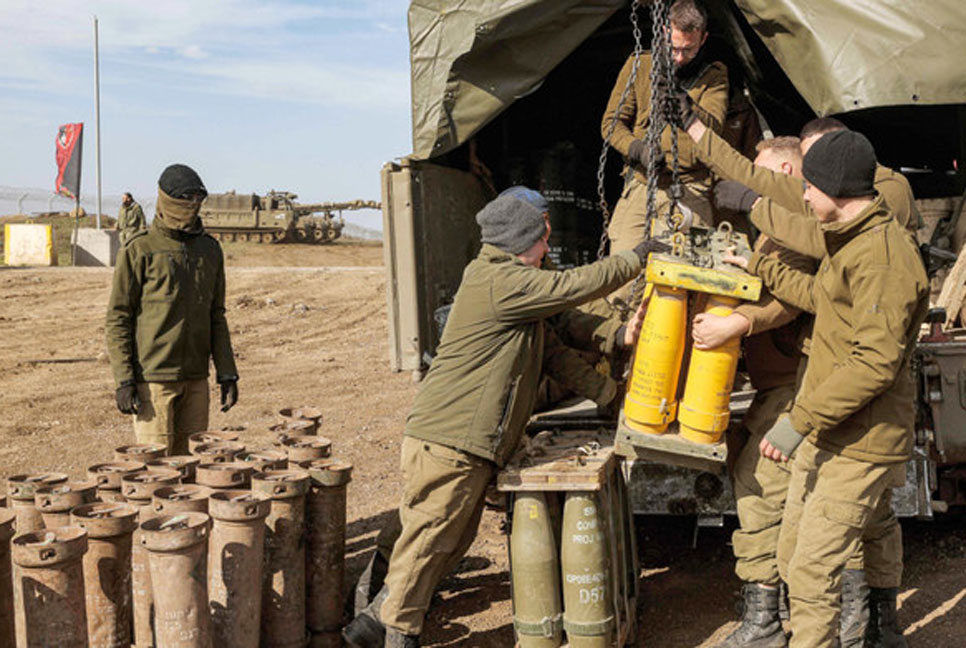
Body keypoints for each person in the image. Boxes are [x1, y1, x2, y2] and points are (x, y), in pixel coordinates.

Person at [343, 189, 667, 648]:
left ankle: (368, 627)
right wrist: (636, 258)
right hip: (452, 440)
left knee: (445, 542)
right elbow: (572, 287)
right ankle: (396, 634)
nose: (548, 243)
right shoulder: (498, 280)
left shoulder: (515, 283)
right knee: (429, 542)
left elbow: (554, 351)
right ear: (524, 237)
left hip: (467, 444)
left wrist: (609, 394)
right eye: (543, 234)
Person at [724, 131, 929, 648]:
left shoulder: (882, 258)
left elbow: (874, 364)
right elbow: (819, 295)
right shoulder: (852, 240)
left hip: (860, 440)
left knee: (813, 572)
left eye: (809, 188)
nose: (804, 197)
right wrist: (756, 263)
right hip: (834, 430)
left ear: (836, 187)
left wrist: (800, 421)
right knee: (794, 555)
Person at [690, 137, 814, 648]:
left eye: (759, 168)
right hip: (775, 385)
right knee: (745, 462)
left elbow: (791, 299)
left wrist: (737, 324)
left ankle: (765, 621)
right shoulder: (773, 223)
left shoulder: (801, 222)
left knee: (758, 485)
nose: (751, 178)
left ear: (784, 167)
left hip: (796, 386)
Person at [105, 164, 239, 456]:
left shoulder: (210, 250)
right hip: (153, 381)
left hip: (196, 379)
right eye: (186, 198)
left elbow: (216, 315)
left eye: (197, 199)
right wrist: (124, 380)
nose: (192, 206)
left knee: (195, 470)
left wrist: (227, 372)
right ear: (167, 199)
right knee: (155, 474)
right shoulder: (140, 250)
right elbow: (118, 317)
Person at [601, 0, 728, 267]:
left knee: (694, 279)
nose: (679, 58)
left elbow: (714, 128)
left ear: (703, 39)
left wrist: (688, 109)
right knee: (621, 275)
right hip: (642, 183)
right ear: (663, 31)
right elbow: (611, 124)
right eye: (674, 48)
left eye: (688, 50)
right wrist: (638, 150)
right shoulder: (640, 65)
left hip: (691, 187)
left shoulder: (714, 76)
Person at [695, 116, 921, 259]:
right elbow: (757, 178)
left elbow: (825, 240)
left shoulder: (890, 188)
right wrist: (692, 127)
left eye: (815, 157)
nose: (808, 167)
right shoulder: (827, 191)